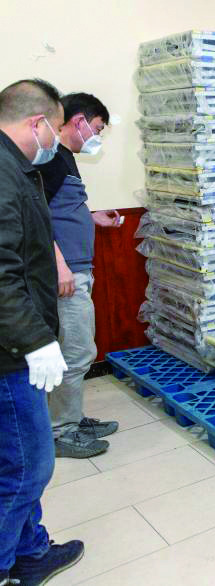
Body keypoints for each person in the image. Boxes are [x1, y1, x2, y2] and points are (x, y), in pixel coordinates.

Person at [0, 79, 85, 586]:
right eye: (54, 129)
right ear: (37, 123)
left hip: (17, 339)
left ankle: (29, 551)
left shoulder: (16, 167)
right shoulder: (3, 174)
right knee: (28, 466)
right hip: (11, 351)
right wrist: (35, 341)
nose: (55, 140)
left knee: (14, 459)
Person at [39, 92, 122, 459]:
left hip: (76, 269)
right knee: (76, 350)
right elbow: (36, 216)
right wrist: (59, 265)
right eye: (98, 128)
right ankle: (62, 431)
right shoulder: (51, 158)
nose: (97, 137)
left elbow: (60, 210)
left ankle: (70, 418)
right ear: (79, 121)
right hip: (66, 273)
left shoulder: (64, 158)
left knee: (74, 348)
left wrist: (91, 217)